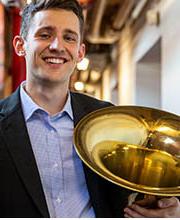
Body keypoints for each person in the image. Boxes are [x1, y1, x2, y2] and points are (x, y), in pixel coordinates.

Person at [0, 0, 179, 217]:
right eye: (45, 34)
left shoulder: (109, 119)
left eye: (69, 37)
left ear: (80, 51)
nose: (57, 46)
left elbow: (138, 191)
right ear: (20, 45)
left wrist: (170, 209)